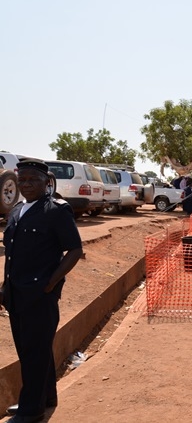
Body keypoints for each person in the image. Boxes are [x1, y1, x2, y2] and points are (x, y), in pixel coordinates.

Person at [0, 159, 83, 423]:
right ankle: (46, 397)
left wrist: (51, 282)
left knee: (34, 352)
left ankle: (31, 409)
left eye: (32, 180)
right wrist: (5, 287)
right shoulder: (16, 211)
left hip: (40, 295)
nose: (26, 185)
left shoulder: (56, 210)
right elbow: (12, 256)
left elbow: (75, 250)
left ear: (47, 182)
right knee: (32, 350)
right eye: (22, 180)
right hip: (15, 294)